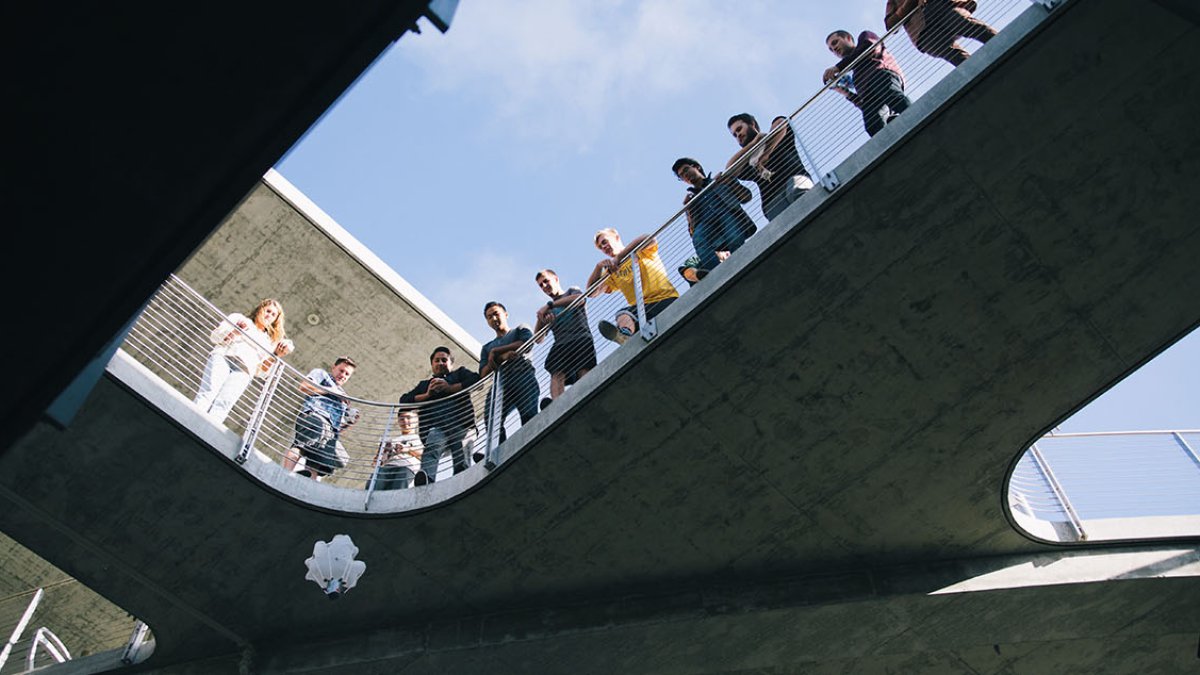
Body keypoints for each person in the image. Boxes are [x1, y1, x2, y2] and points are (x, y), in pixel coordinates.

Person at [194, 298, 293, 424]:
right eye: (268, 311)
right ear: (260, 309)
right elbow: (215, 337)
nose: (269, 315)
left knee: (224, 403)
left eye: (273, 315)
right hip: (224, 357)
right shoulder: (239, 318)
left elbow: (262, 372)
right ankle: (191, 420)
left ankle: (206, 431)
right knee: (208, 391)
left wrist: (276, 355)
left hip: (244, 371)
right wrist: (236, 330)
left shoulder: (270, 342)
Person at [398, 347, 481, 485]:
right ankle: (426, 479)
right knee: (432, 446)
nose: (441, 363)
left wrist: (450, 388)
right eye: (437, 360)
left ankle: (462, 479)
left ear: (451, 364)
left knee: (461, 452)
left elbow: (476, 379)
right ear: (432, 365)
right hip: (436, 428)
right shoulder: (424, 385)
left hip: (462, 425)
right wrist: (428, 395)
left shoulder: (460, 373)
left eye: (444, 360)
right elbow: (404, 401)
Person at [671, 157, 757, 283]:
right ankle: (718, 275)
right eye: (682, 176)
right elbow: (693, 233)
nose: (685, 176)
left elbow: (746, 197)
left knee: (734, 238)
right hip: (706, 224)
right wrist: (688, 211)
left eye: (686, 170)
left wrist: (728, 182)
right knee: (698, 238)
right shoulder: (692, 200)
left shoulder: (719, 180)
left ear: (696, 167)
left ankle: (742, 264)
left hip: (726, 213)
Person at [587, 228, 679, 345]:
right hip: (642, 311)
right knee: (623, 314)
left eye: (604, 242)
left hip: (665, 298)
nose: (603, 247)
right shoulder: (611, 272)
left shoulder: (639, 250)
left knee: (625, 313)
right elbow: (591, 293)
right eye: (600, 247)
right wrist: (598, 267)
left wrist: (619, 258)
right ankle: (624, 336)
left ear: (616, 237)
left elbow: (649, 238)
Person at [725, 113, 815, 222]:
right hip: (772, 201)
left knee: (802, 195)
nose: (738, 135)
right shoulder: (748, 162)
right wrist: (753, 143)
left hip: (794, 181)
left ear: (752, 124)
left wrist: (766, 153)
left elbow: (781, 122)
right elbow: (730, 168)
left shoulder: (777, 137)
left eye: (739, 129)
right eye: (735, 135)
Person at [823, 30, 911, 137]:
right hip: (870, 91)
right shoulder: (855, 75)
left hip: (880, 74)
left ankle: (919, 115)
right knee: (872, 123)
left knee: (893, 99)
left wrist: (838, 67)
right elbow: (863, 103)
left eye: (835, 42)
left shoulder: (865, 37)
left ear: (848, 38)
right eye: (831, 50)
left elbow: (868, 47)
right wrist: (841, 90)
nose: (834, 49)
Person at [284, 357, 358, 480]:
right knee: (301, 446)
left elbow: (338, 428)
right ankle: (285, 473)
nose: (343, 375)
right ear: (334, 367)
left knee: (337, 459)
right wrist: (331, 391)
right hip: (315, 416)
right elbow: (304, 387)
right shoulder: (321, 374)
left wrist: (350, 423)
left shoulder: (344, 396)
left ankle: (308, 481)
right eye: (341, 370)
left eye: (347, 374)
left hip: (330, 431)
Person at [534, 269, 597, 407]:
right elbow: (538, 339)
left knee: (583, 370)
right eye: (541, 285)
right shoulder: (547, 311)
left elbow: (580, 300)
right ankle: (558, 405)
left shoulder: (571, 291)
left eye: (546, 281)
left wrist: (550, 305)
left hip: (580, 337)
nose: (544, 286)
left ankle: (587, 398)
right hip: (561, 343)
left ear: (556, 279)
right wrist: (541, 318)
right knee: (556, 372)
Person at [479, 301, 539, 444]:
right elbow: (483, 373)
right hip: (500, 383)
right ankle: (498, 451)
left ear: (505, 314)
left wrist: (496, 352)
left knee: (528, 414)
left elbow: (528, 343)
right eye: (489, 317)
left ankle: (531, 443)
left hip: (522, 375)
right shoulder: (486, 347)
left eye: (496, 314)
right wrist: (502, 357)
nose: (493, 319)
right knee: (491, 420)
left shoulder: (519, 329)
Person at [885, 0, 996, 67]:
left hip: (943, 7)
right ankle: (978, 74)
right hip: (924, 31)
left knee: (972, 27)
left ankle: (1005, 42)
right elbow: (891, 25)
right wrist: (908, 4)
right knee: (957, 56)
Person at [372, 410, 423, 491]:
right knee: (374, 486)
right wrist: (382, 453)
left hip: (407, 468)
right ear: (398, 421)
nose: (405, 421)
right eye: (402, 419)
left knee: (398, 491)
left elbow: (425, 456)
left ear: (416, 421)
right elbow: (376, 462)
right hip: (388, 467)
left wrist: (408, 450)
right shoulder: (393, 440)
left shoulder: (419, 439)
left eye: (408, 418)